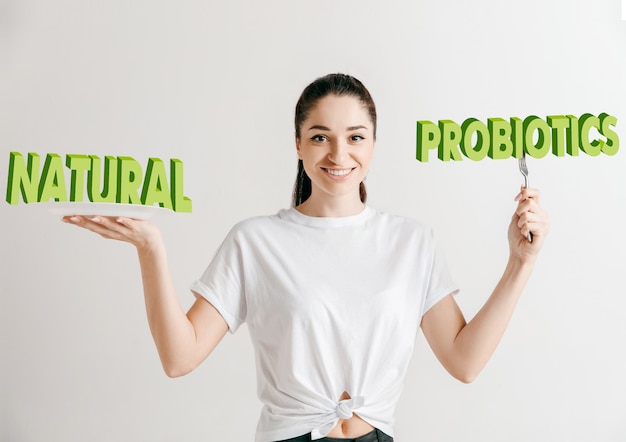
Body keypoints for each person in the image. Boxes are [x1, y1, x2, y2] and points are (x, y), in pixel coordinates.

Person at [62, 73, 549, 442]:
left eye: (355, 136)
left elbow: (464, 361)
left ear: (374, 145)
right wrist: (152, 250)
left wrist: (520, 263)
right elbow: (179, 357)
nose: (339, 153)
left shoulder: (412, 241)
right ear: (298, 144)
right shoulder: (256, 241)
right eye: (320, 136)